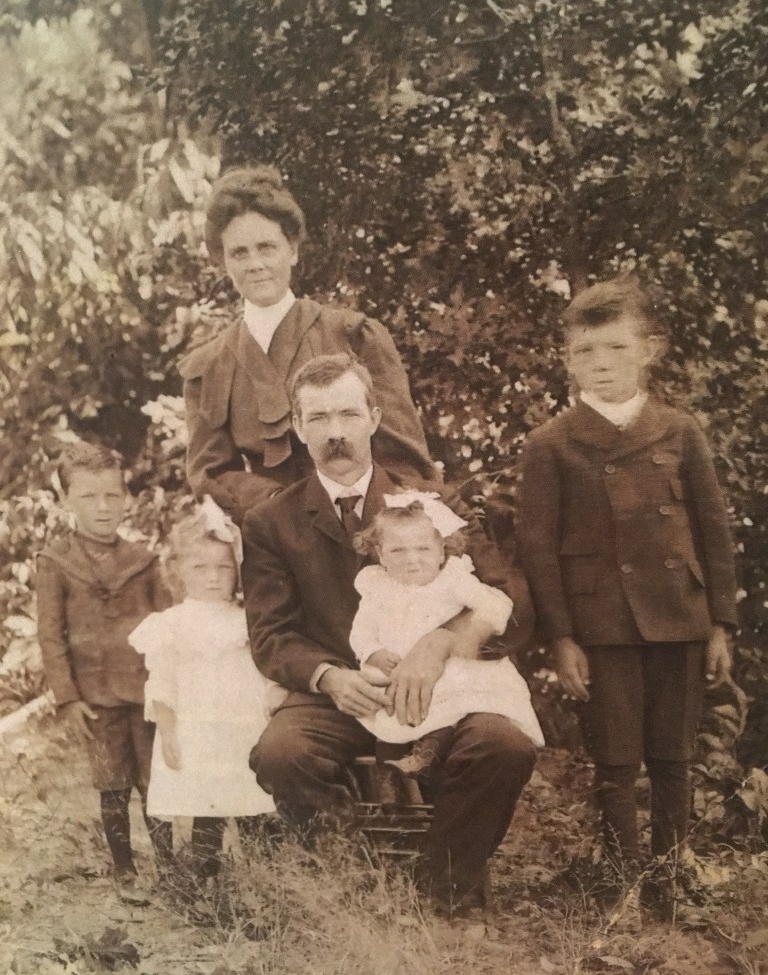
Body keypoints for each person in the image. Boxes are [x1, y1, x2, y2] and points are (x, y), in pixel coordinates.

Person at [242, 353, 538, 917]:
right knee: (281, 753)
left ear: (375, 418)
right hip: (340, 694)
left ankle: (443, 888)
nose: (335, 432)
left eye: (348, 414)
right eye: (319, 418)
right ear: (298, 428)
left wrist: (443, 641)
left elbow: (512, 596)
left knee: (504, 745)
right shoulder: (271, 522)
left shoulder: (434, 503)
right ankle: (356, 883)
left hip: (443, 687)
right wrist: (329, 677)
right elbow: (271, 634)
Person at [516, 277, 738, 924]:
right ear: (568, 361)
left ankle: (666, 890)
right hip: (602, 625)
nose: (602, 364)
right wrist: (562, 638)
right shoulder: (551, 443)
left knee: (673, 758)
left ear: (650, 350)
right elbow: (539, 549)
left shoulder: (680, 431)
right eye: (586, 351)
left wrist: (720, 623)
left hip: (680, 617)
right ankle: (620, 892)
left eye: (616, 348)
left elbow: (713, 530)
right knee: (615, 764)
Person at [180, 164, 437, 525]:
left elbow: (405, 462)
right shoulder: (210, 366)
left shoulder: (353, 336)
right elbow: (211, 474)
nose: (255, 264)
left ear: (293, 250)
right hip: (274, 531)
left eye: (266, 247)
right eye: (239, 253)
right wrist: (277, 503)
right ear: (224, 261)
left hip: (370, 524)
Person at [35, 443, 173, 893]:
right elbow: (50, 636)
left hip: (147, 694)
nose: (102, 507)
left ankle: (170, 867)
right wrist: (68, 698)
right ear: (66, 500)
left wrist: (172, 688)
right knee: (112, 785)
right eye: (89, 497)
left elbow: (168, 627)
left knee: (155, 781)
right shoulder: (55, 563)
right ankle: (124, 868)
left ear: (126, 497)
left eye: (112, 495)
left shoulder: (144, 561)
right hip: (95, 698)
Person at [129, 501, 275, 883]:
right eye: (200, 568)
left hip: (244, 724)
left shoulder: (248, 619)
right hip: (199, 728)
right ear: (177, 570)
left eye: (223, 568)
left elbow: (265, 671)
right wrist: (168, 732)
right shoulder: (171, 624)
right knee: (207, 802)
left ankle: (263, 878)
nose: (213, 578)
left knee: (250, 796)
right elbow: (162, 682)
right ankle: (207, 878)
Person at [349, 495, 544, 773]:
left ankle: (427, 756)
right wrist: (373, 653)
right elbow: (362, 630)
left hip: (453, 671)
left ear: (442, 551)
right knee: (389, 710)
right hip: (398, 670)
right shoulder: (377, 587)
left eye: (423, 549)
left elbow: (497, 603)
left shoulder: (453, 580)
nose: (412, 560)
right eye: (397, 551)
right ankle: (391, 774)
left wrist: (474, 630)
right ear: (380, 554)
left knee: (448, 711)